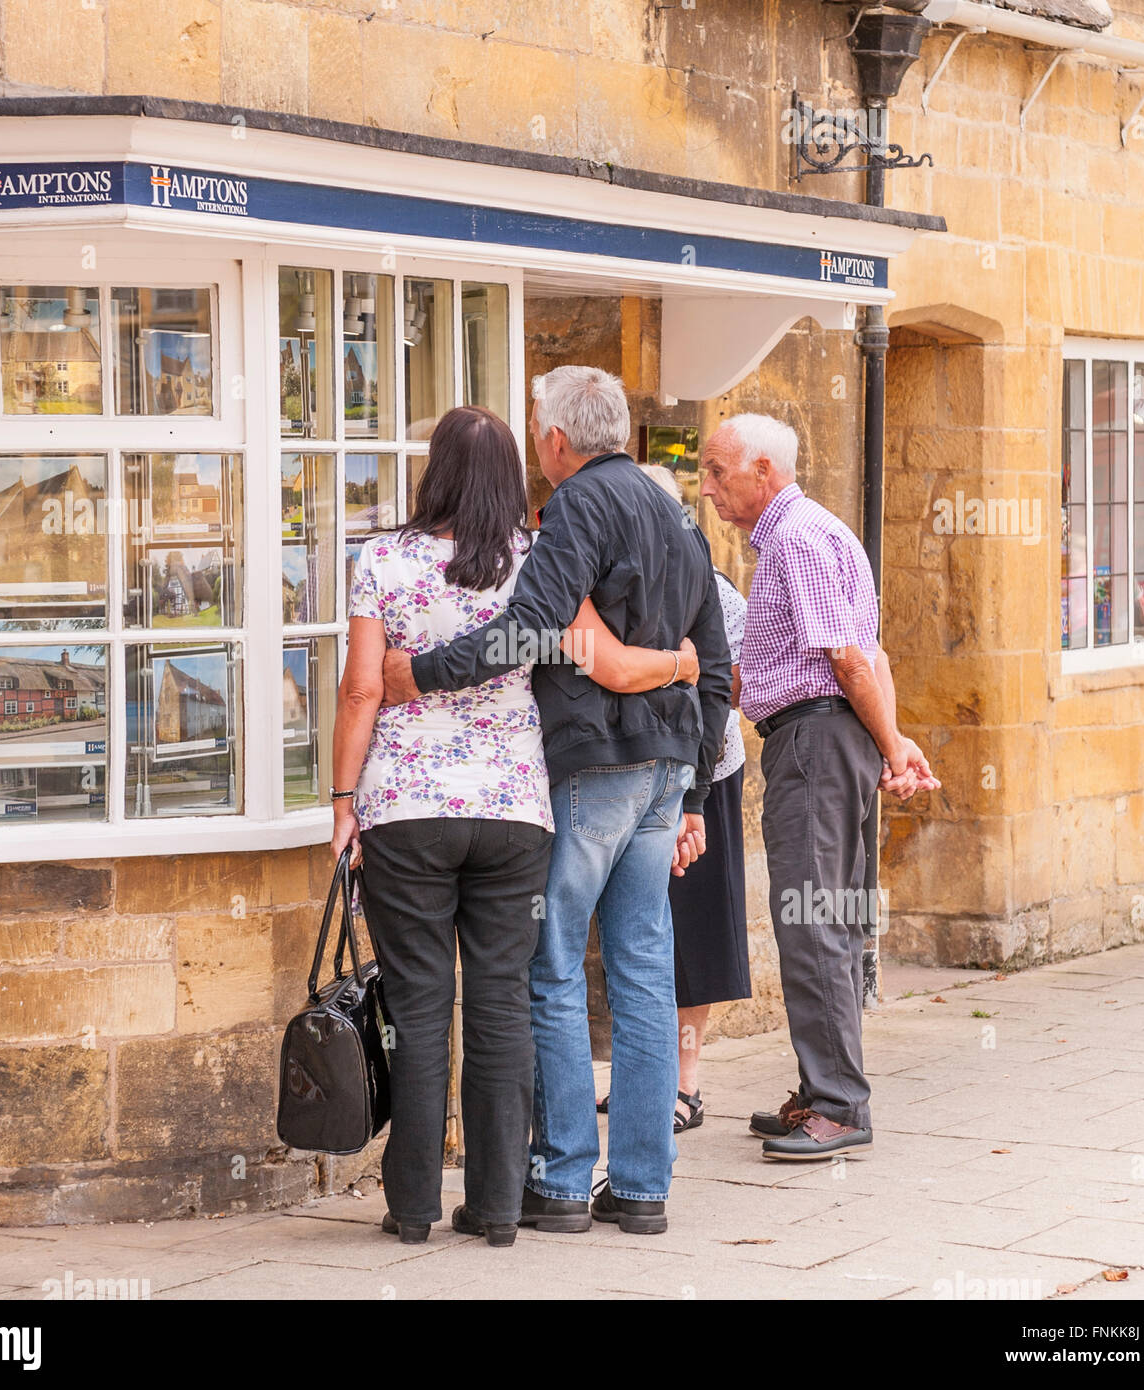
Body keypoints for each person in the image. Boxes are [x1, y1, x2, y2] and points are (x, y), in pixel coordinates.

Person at [331, 404, 702, 1247]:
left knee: (420, 1006)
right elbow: (597, 655)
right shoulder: (540, 559)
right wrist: (685, 663)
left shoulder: (382, 558)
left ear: (433, 470)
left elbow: (361, 691)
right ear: (512, 475)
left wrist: (342, 800)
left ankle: (414, 1207)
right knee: (501, 1004)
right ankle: (499, 1207)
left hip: (408, 812)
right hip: (514, 810)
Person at [697, 414, 939, 1161]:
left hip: (815, 743)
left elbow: (850, 661)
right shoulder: (817, 531)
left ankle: (839, 1104)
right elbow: (873, 656)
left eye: (716, 472)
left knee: (813, 922)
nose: (707, 487)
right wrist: (891, 748)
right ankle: (820, 1091)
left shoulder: (796, 541)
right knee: (829, 915)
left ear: (763, 471)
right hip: (834, 739)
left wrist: (894, 745)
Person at [595, 464, 751, 1134]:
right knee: (636, 928)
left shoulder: (718, 593)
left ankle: (685, 1085)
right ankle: (643, 1079)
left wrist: (695, 790)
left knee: (695, 923)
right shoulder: (606, 589)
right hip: (625, 772)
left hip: (702, 773)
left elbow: (730, 690)